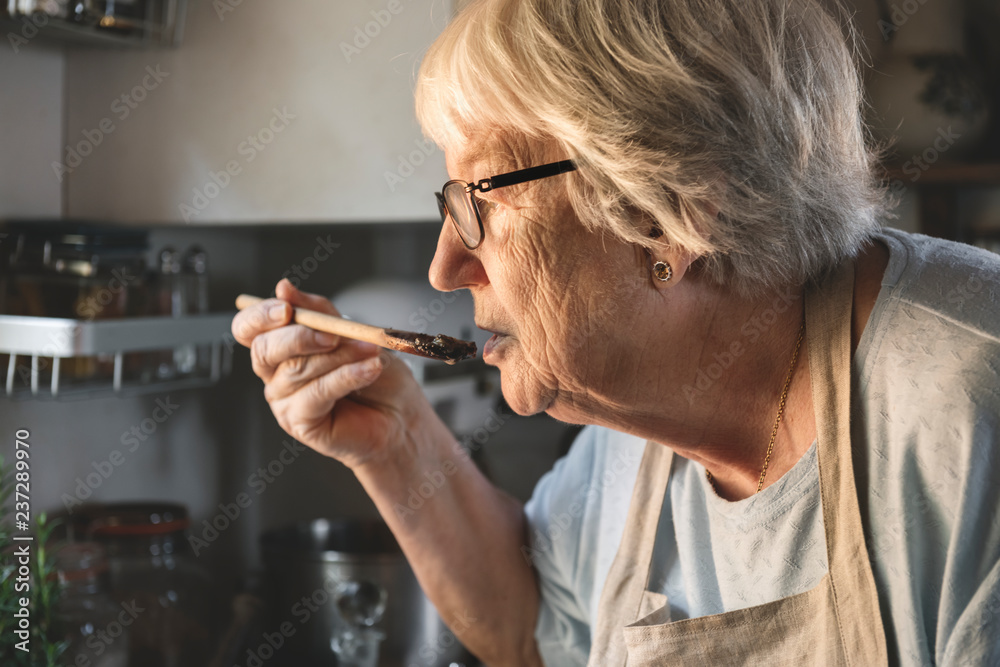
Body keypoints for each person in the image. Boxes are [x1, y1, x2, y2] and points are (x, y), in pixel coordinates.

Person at [231, 0, 1000, 664]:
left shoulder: (966, 413)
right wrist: (397, 442)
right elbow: (536, 632)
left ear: (670, 218)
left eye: (481, 200)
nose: (446, 264)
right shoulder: (638, 419)